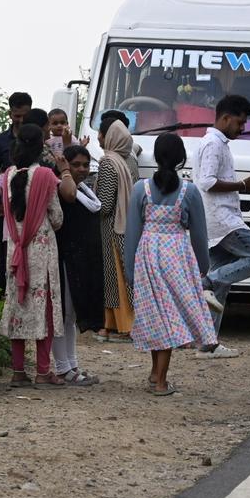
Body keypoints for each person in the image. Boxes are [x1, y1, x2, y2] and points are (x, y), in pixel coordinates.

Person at [124, 134, 216, 395]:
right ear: (182, 158)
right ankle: (160, 381)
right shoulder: (190, 190)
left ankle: (156, 374)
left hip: (148, 256)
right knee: (167, 318)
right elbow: (199, 233)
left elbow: (132, 231)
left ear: (155, 156)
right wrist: (203, 266)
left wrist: (130, 269)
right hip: (177, 256)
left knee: (157, 317)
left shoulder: (141, 188)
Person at [192, 94, 250, 359]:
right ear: (225, 118)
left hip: (217, 221)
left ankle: (208, 344)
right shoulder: (213, 144)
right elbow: (207, 182)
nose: (242, 128)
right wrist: (242, 186)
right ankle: (207, 281)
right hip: (222, 221)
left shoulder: (217, 143)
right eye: (240, 122)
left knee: (220, 290)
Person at [0, 124, 64, 388]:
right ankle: (43, 370)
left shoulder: (8, 175)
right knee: (43, 305)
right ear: (40, 146)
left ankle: (17, 372)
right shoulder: (47, 176)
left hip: (15, 249)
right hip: (41, 248)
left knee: (18, 305)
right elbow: (57, 217)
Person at [51, 144, 104, 385]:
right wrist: (64, 171)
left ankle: (72, 365)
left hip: (81, 258)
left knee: (70, 315)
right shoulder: (63, 186)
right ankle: (62, 368)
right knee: (62, 314)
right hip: (66, 257)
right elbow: (69, 195)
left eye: (85, 165)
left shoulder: (85, 190)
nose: (82, 170)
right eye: (76, 165)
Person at [95, 119, 137, 343]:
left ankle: (120, 326)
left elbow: (105, 203)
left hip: (112, 227)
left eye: (102, 134)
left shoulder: (108, 163)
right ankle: (121, 324)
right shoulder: (129, 160)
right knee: (125, 275)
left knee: (113, 276)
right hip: (129, 224)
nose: (99, 138)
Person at [0, 92, 34, 290]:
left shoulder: (35, 137)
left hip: (31, 200)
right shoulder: (1, 141)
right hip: (7, 204)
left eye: (25, 116)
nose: (21, 120)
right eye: (17, 116)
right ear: (10, 114)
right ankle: (3, 292)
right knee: (5, 246)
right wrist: (7, 177)